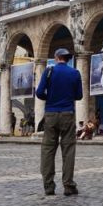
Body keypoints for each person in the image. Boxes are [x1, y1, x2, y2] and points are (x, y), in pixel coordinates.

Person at [36, 48, 83, 196]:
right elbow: (79, 95)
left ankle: (48, 186)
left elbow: (39, 92)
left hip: (50, 114)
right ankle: (68, 185)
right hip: (67, 114)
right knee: (68, 149)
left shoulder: (49, 72)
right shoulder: (75, 73)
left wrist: (49, 99)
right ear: (68, 59)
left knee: (48, 150)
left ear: (56, 57)